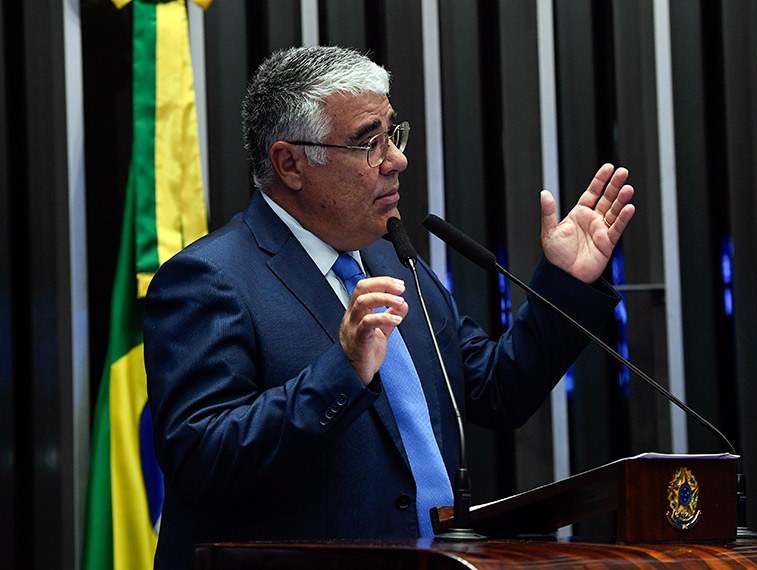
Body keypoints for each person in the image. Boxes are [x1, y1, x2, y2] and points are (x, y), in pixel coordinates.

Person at [143, 45, 635, 569]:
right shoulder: (209, 279)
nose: (396, 160)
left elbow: (494, 389)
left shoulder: (390, 258)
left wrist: (565, 283)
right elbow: (201, 458)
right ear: (290, 164)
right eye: (368, 143)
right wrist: (343, 371)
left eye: (392, 135)